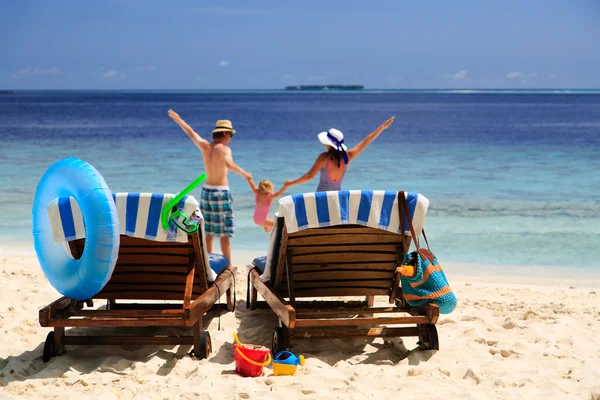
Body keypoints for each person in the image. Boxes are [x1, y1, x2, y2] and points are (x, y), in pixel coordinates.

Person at [168, 109, 251, 262]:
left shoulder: (205, 146)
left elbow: (191, 133)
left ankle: (208, 263)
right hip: (221, 193)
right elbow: (230, 165)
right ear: (225, 134)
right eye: (231, 135)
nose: (231, 138)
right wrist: (244, 173)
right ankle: (228, 265)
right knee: (225, 233)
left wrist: (178, 119)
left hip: (206, 192)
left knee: (208, 231)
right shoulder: (224, 149)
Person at [284, 117, 395, 192]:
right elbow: (365, 142)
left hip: (321, 199)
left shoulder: (324, 158)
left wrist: (291, 183)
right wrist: (382, 127)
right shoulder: (348, 156)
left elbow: (309, 176)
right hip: (338, 198)